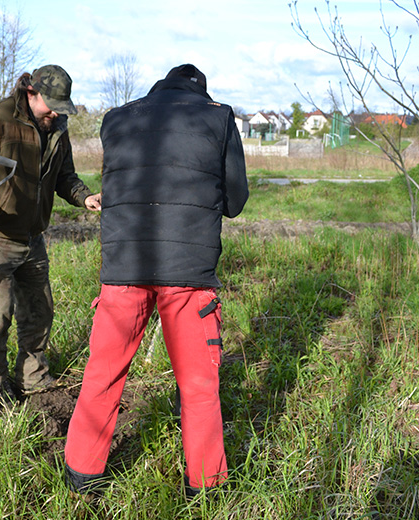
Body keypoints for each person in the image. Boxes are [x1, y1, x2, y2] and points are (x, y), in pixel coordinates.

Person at [64, 64, 248, 497]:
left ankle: (81, 476)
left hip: (124, 266)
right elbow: (235, 200)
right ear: (200, 90)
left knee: (103, 373)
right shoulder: (219, 117)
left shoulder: (119, 117)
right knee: (198, 385)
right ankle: (205, 488)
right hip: (188, 271)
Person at [0, 65, 101, 405]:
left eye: (62, 104)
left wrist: (84, 196)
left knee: (39, 311)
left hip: (33, 237)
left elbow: (65, 176)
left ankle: (33, 375)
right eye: (52, 103)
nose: (57, 111)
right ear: (32, 92)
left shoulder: (58, 126)